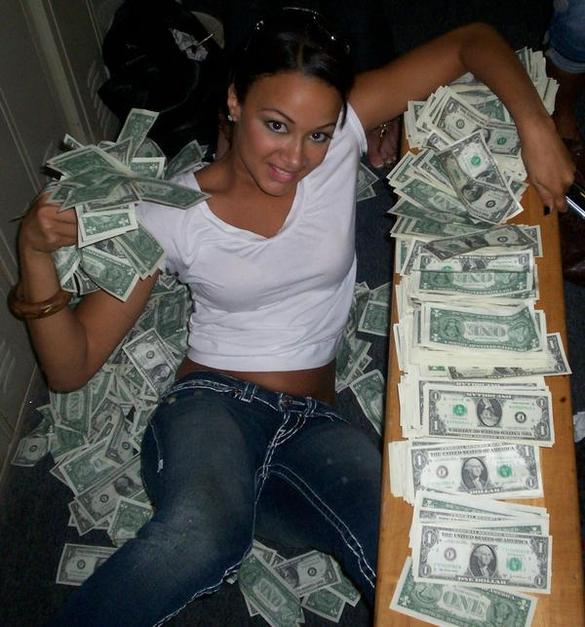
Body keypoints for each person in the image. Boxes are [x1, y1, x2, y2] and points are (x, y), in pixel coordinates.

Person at [12, 7, 573, 626]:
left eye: (317, 134)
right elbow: (72, 366)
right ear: (235, 102)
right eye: (275, 125)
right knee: (204, 535)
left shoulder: (345, 136)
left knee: (408, 548)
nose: (296, 157)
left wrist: (536, 126)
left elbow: (471, 40)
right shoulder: (170, 212)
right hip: (213, 410)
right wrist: (34, 257)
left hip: (315, 428)